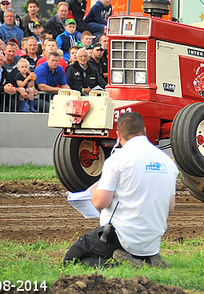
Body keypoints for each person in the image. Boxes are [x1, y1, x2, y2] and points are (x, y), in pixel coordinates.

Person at [63, 112, 178, 268]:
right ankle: (148, 259)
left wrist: (94, 191)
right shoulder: (168, 162)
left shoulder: (117, 160)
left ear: (118, 135)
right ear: (143, 130)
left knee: (72, 259)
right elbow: (170, 207)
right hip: (152, 241)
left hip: (122, 237)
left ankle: (124, 265)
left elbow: (100, 203)